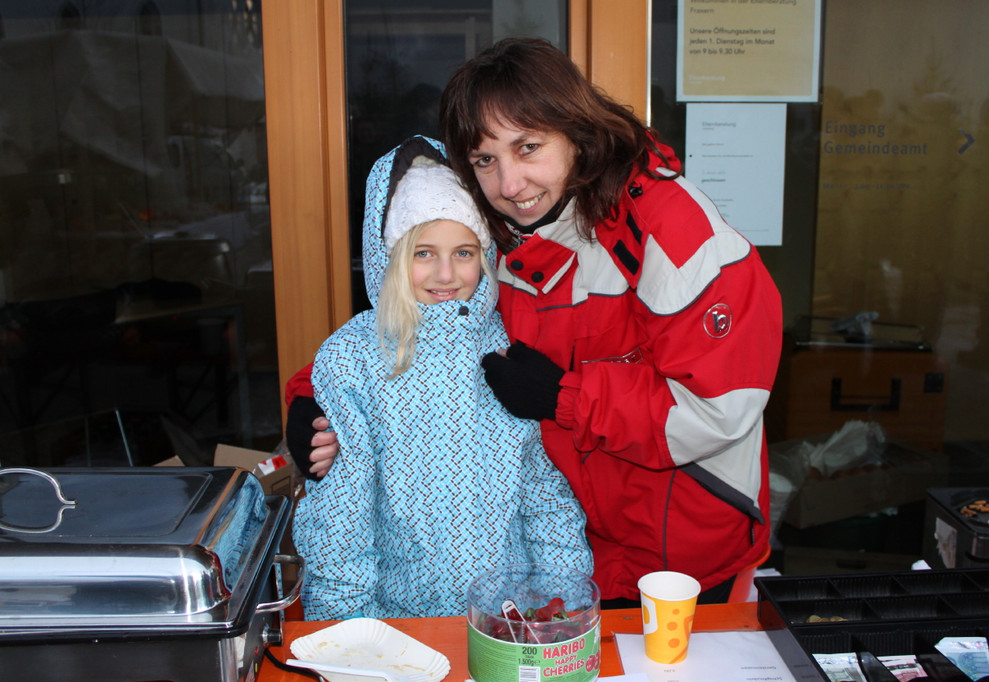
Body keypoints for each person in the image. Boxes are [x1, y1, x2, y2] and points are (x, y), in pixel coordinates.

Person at [290, 37, 783, 605]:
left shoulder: (673, 232)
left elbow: (720, 408)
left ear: (577, 130)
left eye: (528, 147)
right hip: (574, 553)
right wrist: (312, 401)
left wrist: (563, 398)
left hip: (678, 554)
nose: (510, 184)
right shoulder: (499, 231)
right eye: (485, 161)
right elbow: (431, 336)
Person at [290, 135, 592, 620]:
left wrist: (566, 601)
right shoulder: (355, 358)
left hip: (507, 619)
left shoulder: (506, 347)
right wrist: (342, 631)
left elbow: (544, 493)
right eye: (424, 253)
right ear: (390, 257)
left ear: (486, 255)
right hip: (398, 622)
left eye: (464, 252)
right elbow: (341, 520)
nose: (446, 274)